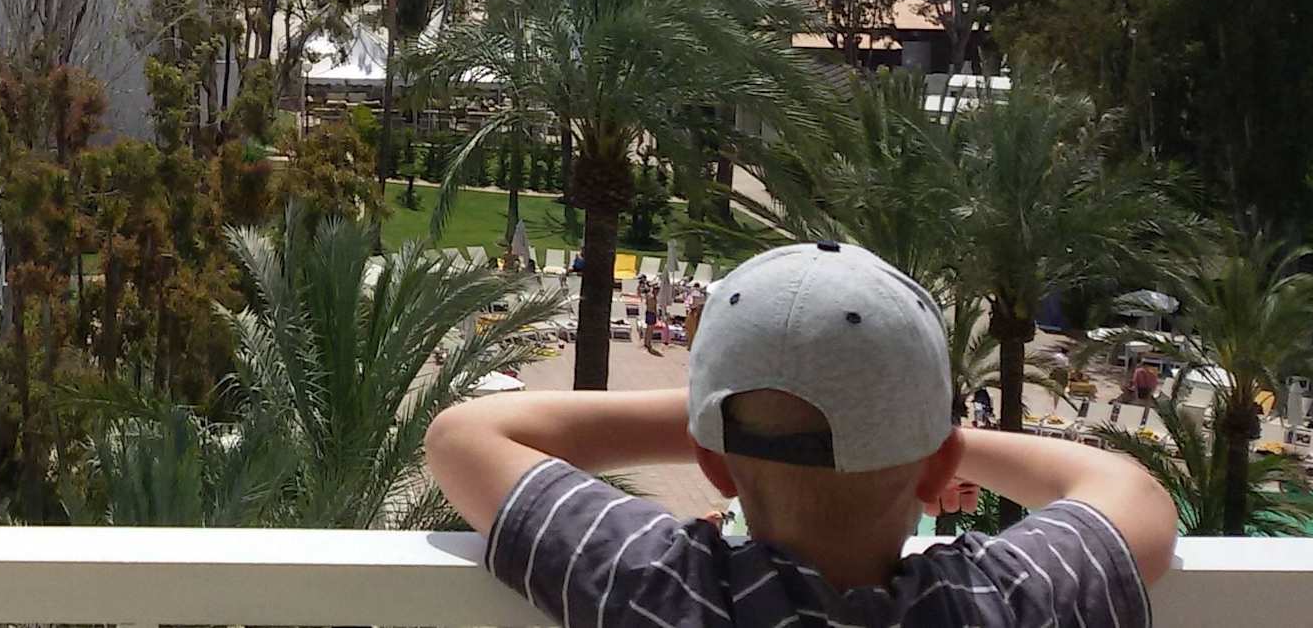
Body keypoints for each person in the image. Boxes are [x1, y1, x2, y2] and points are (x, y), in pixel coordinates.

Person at [426, 240, 1175, 624]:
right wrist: (921, 442)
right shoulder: (1000, 605)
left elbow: (465, 437)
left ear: (712, 463)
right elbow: (1130, 493)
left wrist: (720, 419)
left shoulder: (662, 592)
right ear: (937, 460)